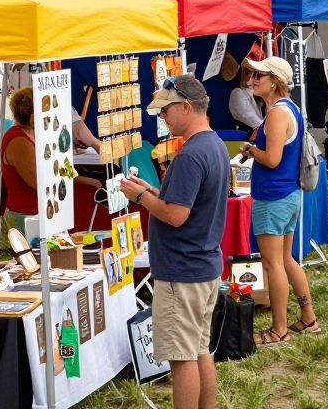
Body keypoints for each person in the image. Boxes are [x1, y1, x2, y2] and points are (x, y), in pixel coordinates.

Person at [120, 75, 229, 409]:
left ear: (185, 106)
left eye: (166, 110)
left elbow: (177, 215)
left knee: (182, 360)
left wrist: (141, 196)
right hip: (202, 265)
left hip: (183, 271)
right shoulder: (214, 145)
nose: (162, 117)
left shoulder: (190, 154)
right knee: (198, 350)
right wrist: (153, 192)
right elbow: (185, 205)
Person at [238, 56, 317, 343]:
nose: (253, 78)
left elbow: (272, 159)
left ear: (276, 82)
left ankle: (279, 329)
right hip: (287, 194)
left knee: (273, 264)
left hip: (273, 195)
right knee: (285, 259)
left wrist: (250, 150)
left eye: (260, 75)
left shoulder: (276, 113)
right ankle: (308, 318)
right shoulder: (289, 108)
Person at [1, 87, 102, 229]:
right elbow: (40, 183)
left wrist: (92, 182)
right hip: (26, 216)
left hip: (44, 213)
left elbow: (62, 169)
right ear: (33, 116)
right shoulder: (18, 141)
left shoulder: (39, 135)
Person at [228, 60, 266, 136]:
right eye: (248, 72)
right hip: (249, 133)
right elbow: (249, 118)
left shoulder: (259, 92)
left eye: (255, 74)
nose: (250, 76)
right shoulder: (237, 93)